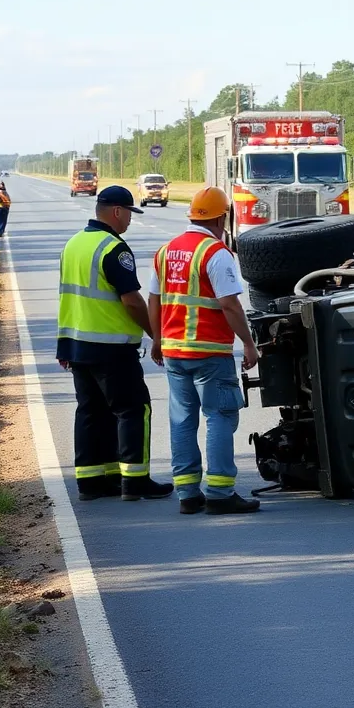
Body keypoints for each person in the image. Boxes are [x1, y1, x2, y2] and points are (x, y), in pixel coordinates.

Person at [149, 187, 262, 515]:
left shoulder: (166, 251)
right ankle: (220, 492)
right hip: (210, 352)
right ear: (220, 218)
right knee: (220, 415)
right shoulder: (215, 253)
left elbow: (154, 299)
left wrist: (157, 339)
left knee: (182, 419)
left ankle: (187, 493)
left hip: (174, 352)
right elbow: (230, 305)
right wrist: (249, 344)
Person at [56, 186, 173, 502]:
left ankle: (92, 482)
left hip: (78, 345)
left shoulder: (73, 244)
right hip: (111, 348)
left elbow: (67, 299)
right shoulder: (113, 248)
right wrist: (156, 334)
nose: (130, 221)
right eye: (129, 214)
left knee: (91, 412)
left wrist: (63, 346)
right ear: (117, 212)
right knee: (134, 409)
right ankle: (135, 481)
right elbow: (132, 301)